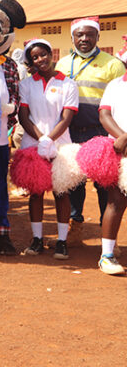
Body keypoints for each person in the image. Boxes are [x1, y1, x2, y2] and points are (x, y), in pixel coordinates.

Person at [55, 16, 125, 244]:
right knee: (73, 180)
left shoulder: (113, 64)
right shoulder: (63, 64)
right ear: (72, 37)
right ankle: (76, 223)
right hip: (71, 131)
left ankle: (107, 234)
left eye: (89, 34)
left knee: (105, 183)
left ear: (98, 37)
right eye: (79, 35)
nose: (84, 39)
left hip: (101, 132)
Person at [16, 39, 78, 260]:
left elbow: (66, 118)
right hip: (33, 145)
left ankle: (62, 242)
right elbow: (23, 116)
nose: (40, 59)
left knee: (61, 192)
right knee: (36, 193)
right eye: (35, 57)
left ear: (51, 54)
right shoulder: (26, 84)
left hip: (61, 146)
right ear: (31, 61)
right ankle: (37, 239)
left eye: (43, 54)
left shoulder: (69, 84)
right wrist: (40, 139)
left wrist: (49, 140)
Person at [97, 69, 127, 274]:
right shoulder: (115, 85)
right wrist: (123, 137)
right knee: (115, 201)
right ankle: (106, 256)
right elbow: (104, 114)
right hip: (119, 150)